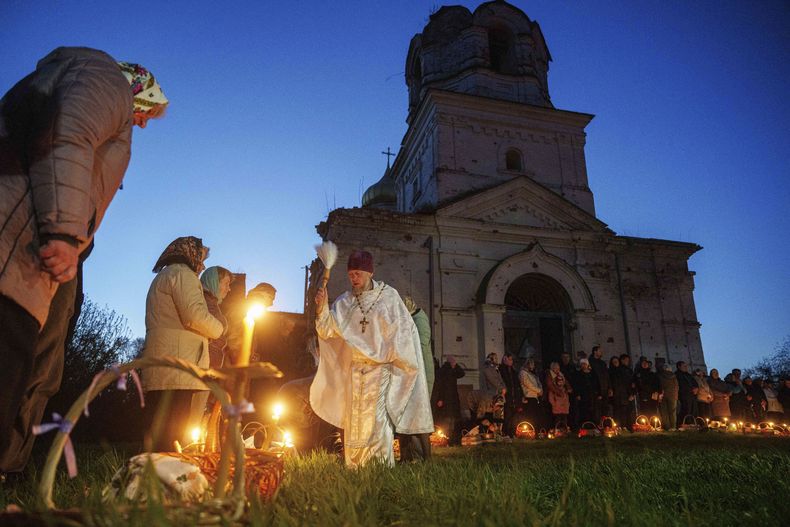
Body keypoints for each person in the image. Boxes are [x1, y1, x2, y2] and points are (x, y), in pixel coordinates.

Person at [0, 47, 167, 476]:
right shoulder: (104, 79)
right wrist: (63, 232)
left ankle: (10, 465)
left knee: (24, 363)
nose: (144, 123)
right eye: (147, 112)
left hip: (30, 240)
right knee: (12, 355)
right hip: (25, 239)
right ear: (138, 91)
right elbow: (67, 135)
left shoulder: (84, 79)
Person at [310, 250, 433, 467]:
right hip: (355, 371)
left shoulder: (389, 297)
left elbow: (404, 332)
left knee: (377, 419)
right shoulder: (344, 302)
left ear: (370, 272)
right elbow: (328, 330)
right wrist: (321, 310)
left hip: (381, 369)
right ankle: (356, 464)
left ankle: (380, 463)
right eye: (350, 274)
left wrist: (394, 357)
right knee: (354, 420)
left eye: (357, 273)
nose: (353, 278)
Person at [140, 237, 224, 451]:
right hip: (178, 363)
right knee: (173, 429)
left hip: (167, 359)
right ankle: (167, 475)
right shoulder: (182, 274)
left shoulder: (167, 275)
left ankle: (153, 471)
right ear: (191, 254)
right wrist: (219, 329)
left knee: (160, 426)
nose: (203, 265)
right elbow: (194, 315)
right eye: (201, 257)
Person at [398, 295, 434, 461]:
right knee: (404, 416)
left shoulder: (419, 320)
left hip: (421, 376)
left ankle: (421, 457)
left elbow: (419, 346)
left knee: (419, 417)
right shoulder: (410, 319)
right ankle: (407, 457)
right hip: (409, 375)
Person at [200, 266, 233, 369]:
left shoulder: (211, 302)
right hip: (203, 366)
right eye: (226, 283)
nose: (229, 289)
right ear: (213, 281)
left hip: (209, 366)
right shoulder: (204, 302)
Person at [432, 355, 465, 445]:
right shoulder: (443, 370)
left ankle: (452, 439)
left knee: (452, 420)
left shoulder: (453, 370)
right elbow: (439, 385)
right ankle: (446, 439)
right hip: (446, 399)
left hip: (453, 398)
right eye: (453, 361)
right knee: (446, 420)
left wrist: (456, 366)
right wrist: (440, 398)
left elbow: (462, 373)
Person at [498, 352, 522, 436]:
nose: (511, 361)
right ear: (505, 359)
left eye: (512, 359)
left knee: (514, 416)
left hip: (514, 397)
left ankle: (512, 432)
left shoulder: (513, 371)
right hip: (507, 397)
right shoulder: (501, 370)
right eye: (510, 359)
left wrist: (521, 395)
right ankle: (507, 433)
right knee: (507, 415)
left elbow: (517, 384)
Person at [572, 359, 600, 428]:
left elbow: (597, 383)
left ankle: (593, 425)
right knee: (583, 410)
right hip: (583, 395)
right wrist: (577, 394)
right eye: (582, 364)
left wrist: (599, 393)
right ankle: (584, 425)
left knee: (593, 410)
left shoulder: (593, 373)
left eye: (584, 364)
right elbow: (576, 385)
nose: (583, 365)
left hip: (592, 394)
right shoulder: (578, 374)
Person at [609, 356, 633, 429]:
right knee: (616, 410)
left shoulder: (623, 371)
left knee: (624, 410)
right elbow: (609, 382)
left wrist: (630, 393)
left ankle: (624, 425)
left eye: (616, 361)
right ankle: (617, 425)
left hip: (624, 393)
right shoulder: (610, 371)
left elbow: (627, 383)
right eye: (614, 362)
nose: (615, 363)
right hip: (615, 393)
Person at [519, 357, 543, 428]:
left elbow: (538, 382)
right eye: (532, 365)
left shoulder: (533, 374)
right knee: (530, 415)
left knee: (535, 415)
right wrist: (538, 390)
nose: (533, 366)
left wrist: (540, 389)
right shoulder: (523, 373)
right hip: (528, 396)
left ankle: (535, 429)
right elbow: (528, 384)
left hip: (535, 396)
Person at [589, 345, 611, 422]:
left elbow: (607, 375)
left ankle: (605, 424)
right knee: (597, 408)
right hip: (596, 389)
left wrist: (609, 387)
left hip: (604, 388)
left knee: (605, 407)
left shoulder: (602, 363)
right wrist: (597, 390)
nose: (601, 352)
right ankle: (598, 425)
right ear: (595, 352)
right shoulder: (590, 362)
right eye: (599, 351)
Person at [658, 363, 678, 430]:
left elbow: (659, 385)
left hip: (663, 396)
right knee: (672, 412)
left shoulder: (660, 375)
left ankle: (667, 427)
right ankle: (673, 427)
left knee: (664, 412)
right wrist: (676, 396)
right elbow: (677, 386)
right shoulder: (674, 376)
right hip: (673, 396)